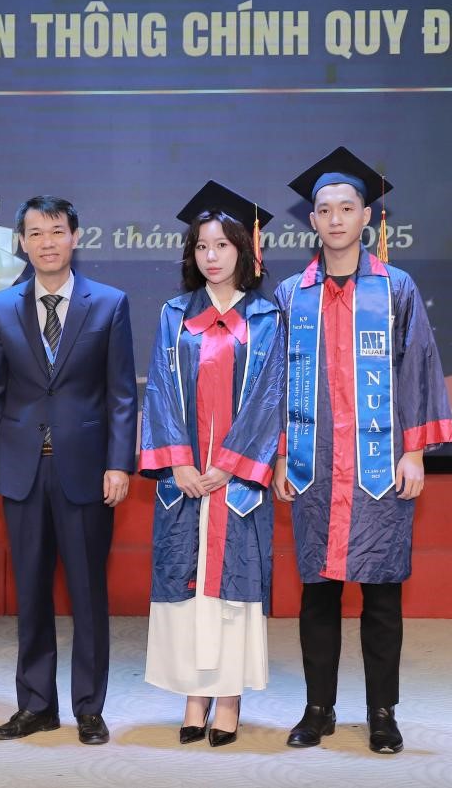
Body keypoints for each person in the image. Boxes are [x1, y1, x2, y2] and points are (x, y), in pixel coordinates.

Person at [272, 147, 452, 754]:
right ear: (312, 220)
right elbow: (276, 382)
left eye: (346, 208)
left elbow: (418, 369)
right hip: (315, 465)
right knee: (318, 591)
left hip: (378, 465)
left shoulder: (395, 288)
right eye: (324, 210)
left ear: (366, 217)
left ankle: (382, 712)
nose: (335, 219)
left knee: (381, 592)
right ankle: (317, 709)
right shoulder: (291, 295)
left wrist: (415, 452)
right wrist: (280, 455)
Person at [0, 195, 137, 745]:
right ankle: (36, 705)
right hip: (21, 471)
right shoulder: (0, 308)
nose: (47, 242)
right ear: (22, 242)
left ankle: (89, 708)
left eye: (57, 231)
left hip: (85, 470)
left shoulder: (109, 304)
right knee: (31, 593)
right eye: (36, 233)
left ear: (75, 237)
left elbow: (120, 394)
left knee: (88, 594)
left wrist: (119, 463)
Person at [139, 182, 286, 748]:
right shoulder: (175, 314)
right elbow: (159, 390)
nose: (211, 256)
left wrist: (228, 465)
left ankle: (227, 699)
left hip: (236, 482)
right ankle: (193, 696)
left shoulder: (267, 317)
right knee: (188, 583)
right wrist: (178, 462)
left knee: (232, 588)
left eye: (222, 245)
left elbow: (269, 397)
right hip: (184, 480)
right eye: (202, 246)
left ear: (243, 250)